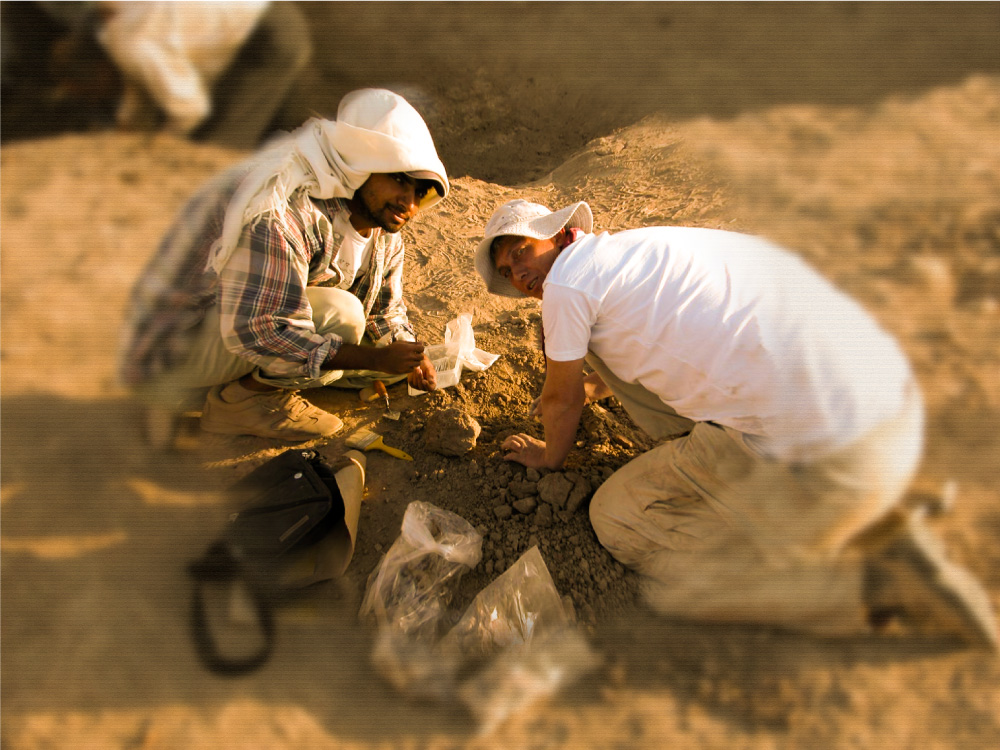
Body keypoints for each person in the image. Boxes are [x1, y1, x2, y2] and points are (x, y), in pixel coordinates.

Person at [473, 198, 998, 649]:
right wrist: (594, 385)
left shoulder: (566, 285)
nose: (518, 275)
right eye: (507, 272)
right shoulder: (644, 247)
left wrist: (549, 457)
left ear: (560, 235)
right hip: (877, 381)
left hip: (802, 431)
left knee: (617, 520)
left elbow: (560, 401)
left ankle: (849, 583)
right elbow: (674, 329)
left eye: (520, 252)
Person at [120, 88, 446, 443]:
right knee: (344, 316)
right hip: (170, 349)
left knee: (387, 357)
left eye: (420, 192)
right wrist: (375, 361)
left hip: (232, 330)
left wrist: (408, 350)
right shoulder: (285, 209)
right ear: (361, 163)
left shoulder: (384, 233)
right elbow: (267, 330)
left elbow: (385, 310)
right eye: (398, 179)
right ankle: (238, 404)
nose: (408, 203)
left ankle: (243, 382)